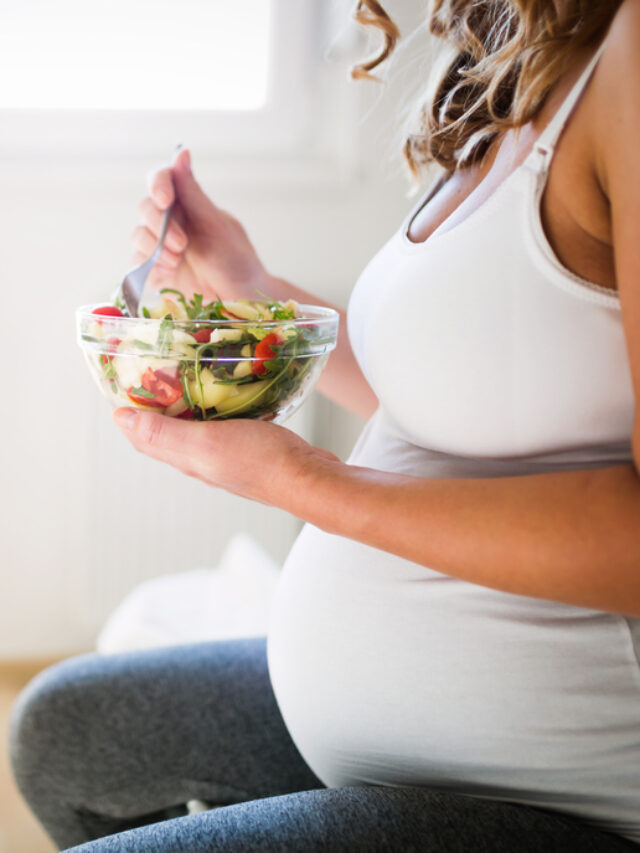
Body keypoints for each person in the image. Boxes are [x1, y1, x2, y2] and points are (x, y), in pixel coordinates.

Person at [9, 0, 640, 850]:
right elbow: (457, 394)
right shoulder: (518, 56)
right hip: (411, 745)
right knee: (67, 733)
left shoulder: (629, 58)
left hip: (562, 792)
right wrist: (248, 281)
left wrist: (298, 479)